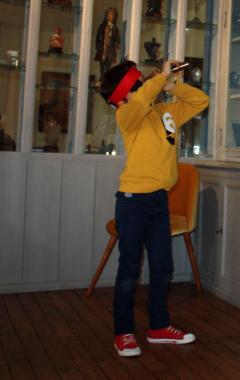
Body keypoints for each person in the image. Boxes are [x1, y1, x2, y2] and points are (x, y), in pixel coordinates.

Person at [99, 59, 209, 358]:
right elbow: (143, 98)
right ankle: (123, 333)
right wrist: (159, 78)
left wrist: (173, 84)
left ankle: (158, 327)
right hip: (133, 202)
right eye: (136, 86)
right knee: (129, 270)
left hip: (159, 201)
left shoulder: (164, 113)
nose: (143, 89)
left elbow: (201, 101)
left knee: (163, 267)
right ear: (123, 97)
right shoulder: (126, 114)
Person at [95, 7, 121, 81]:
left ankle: (106, 78)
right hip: (103, 49)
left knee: (108, 64)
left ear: (114, 17)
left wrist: (116, 47)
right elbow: (98, 37)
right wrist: (98, 47)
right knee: (102, 64)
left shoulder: (115, 28)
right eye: (108, 14)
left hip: (110, 50)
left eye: (112, 15)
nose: (110, 16)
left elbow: (117, 39)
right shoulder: (102, 26)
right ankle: (102, 77)